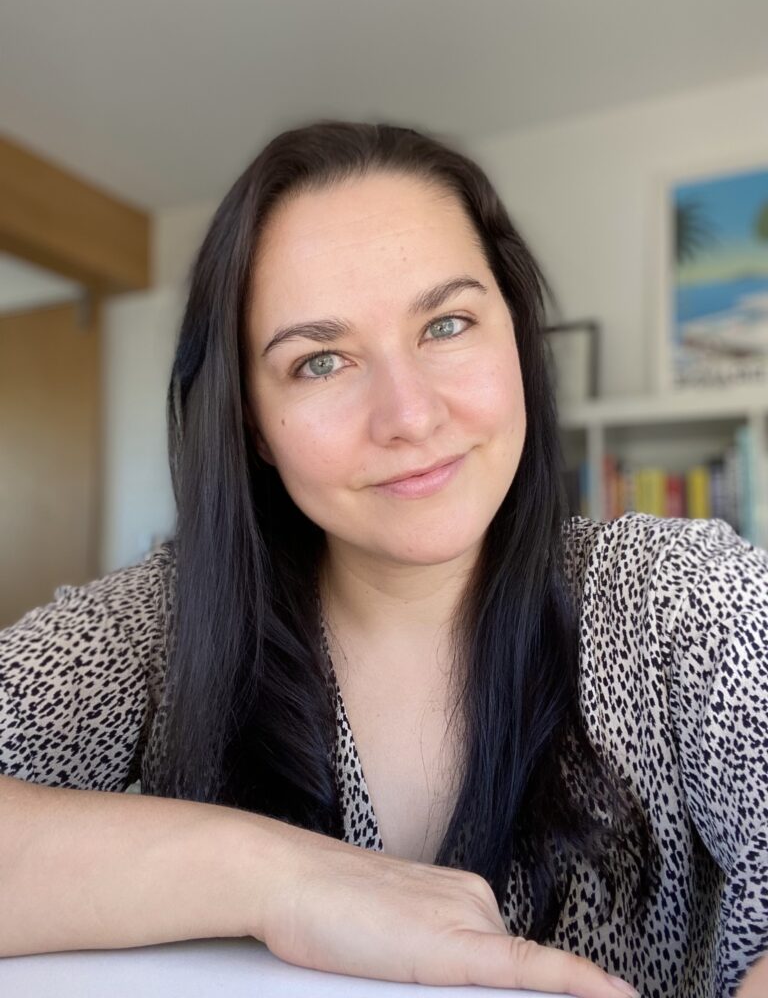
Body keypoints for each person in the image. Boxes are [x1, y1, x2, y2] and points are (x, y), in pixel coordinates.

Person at [0, 120, 766, 998]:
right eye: (320, 361)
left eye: (446, 323)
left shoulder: (682, 600)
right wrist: (276, 876)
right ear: (251, 420)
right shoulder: (163, 623)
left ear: (515, 336)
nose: (407, 415)